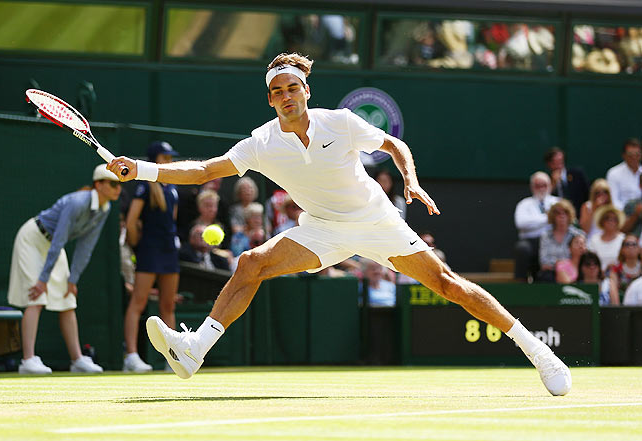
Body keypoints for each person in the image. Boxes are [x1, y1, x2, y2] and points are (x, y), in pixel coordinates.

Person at [108, 52, 571, 396]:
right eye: (277, 91)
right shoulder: (262, 143)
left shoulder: (341, 122)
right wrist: (143, 170)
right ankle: (194, 351)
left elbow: (393, 145)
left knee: (447, 284)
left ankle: (538, 352)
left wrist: (409, 180)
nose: (285, 96)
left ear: (306, 90)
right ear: (270, 99)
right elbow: (204, 172)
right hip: (323, 228)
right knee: (251, 262)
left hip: (375, 220)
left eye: (292, 88)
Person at [7, 164, 120, 374]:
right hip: (32, 238)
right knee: (36, 296)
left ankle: (77, 360)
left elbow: (86, 246)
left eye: (120, 184)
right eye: (113, 184)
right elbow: (60, 238)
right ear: (99, 184)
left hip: (52, 246)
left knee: (68, 299)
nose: (118, 189)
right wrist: (43, 279)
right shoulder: (77, 202)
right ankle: (28, 360)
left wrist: (73, 279)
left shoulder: (105, 209)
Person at [122, 141, 180, 373]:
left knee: (168, 305)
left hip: (169, 251)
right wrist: (138, 244)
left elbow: (172, 220)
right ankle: (131, 356)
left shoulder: (173, 188)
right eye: (165, 158)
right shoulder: (144, 187)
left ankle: (172, 358)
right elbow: (131, 221)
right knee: (138, 302)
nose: (170, 162)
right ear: (156, 160)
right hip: (149, 250)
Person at [514, 172, 560, 281]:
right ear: (532, 187)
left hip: (553, 241)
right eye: (537, 185)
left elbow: (561, 222)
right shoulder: (524, 204)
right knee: (522, 248)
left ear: (550, 186)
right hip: (531, 241)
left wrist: (534, 222)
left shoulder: (557, 202)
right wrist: (548, 218)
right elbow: (521, 223)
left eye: (544, 185)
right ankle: (521, 283)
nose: (541, 188)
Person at [537, 200, 585, 282]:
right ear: (553, 216)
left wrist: (564, 265)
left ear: (569, 215)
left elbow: (582, 254)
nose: (562, 216)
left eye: (565, 213)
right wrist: (558, 265)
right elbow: (544, 261)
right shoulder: (546, 235)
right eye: (558, 213)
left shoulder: (578, 234)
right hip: (551, 272)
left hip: (573, 271)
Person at [544, 147, 589, 213]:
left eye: (560, 161)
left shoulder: (577, 174)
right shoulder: (545, 179)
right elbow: (544, 200)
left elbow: (587, 195)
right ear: (549, 164)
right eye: (555, 162)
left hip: (578, 214)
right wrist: (553, 184)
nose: (558, 165)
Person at [606, 138, 642, 210]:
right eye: (630, 155)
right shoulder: (613, 173)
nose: (634, 157)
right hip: (622, 216)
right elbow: (613, 200)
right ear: (624, 155)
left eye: (637, 154)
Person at [587, 204, 626, 272]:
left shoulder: (623, 239)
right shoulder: (594, 239)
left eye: (614, 219)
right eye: (607, 218)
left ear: (618, 222)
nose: (610, 221)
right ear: (602, 221)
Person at [607, 234, 641, 306]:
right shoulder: (615, 269)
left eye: (634, 244)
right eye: (627, 244)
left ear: (639, 249)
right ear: (622, 249)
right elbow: (613, 290)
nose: (631, 247)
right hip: (622, 307)